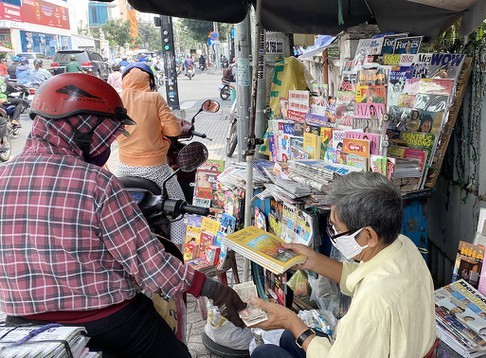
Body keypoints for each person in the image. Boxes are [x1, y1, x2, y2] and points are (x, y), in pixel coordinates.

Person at [0, 73, 246, 357]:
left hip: (25, 330)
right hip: (109, 322)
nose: (106, 146)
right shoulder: (97, 183)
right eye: (103, 134)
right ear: (82, 128)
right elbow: (149, 265)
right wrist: (213, 289)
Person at [250, 172, 437, 358]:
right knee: (287, 339)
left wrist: (290, 321)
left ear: (369, 236)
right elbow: (361, 275)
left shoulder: (371, 305)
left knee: (265, 353)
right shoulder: (404, 246)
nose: (332, 234)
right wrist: (313, 261)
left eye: (336, 228)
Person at [115, 63, 190, 247]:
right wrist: (160, 129)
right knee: (179, 207)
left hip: (124, 168)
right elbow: (173, 130)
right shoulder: (154, 98)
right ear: (150, 80)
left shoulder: (117, 99)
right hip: (155, 169)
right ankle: (179, 249)